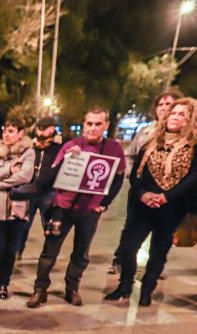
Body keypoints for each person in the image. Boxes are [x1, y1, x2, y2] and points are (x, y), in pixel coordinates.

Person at [104, 98, 197, 306]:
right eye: (173, 113)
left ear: (192, 119)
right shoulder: (154, 138)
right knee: (128, 247)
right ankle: (124, 285)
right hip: (142, 205)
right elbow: (136, 172)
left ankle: (146, 289)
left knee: (158, 250)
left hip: (173, 206)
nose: (175, 117)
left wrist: (167, 196)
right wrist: (142, 193)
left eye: (182, 114)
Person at [27, 107, 126, 308]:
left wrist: (104, 204)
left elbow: (118, 178)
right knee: (49, 251)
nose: (93, 128)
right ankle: (40, 289)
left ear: (106, 125)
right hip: (62, 208)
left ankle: (72, 288)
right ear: (83, 125)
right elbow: (48, 177)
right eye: (89, 123)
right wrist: (66, 160)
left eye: (98, 124)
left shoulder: (114, 149)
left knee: (81, 253)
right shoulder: (71, 145)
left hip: (89, 211)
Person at [108, 89, 182, 276]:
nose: (164, 108)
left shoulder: (186, 137)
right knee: (131, 229)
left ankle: (155, 267)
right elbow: (130, 156)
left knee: (164, 232)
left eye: (169, 104)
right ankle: (121, 260)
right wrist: (135, 178)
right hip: (141, 191)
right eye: (161, 104)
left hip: (169, 195)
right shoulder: (145, 132)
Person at [0, 119, 35, 300]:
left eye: (11, 131)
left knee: (11, 249)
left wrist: (0, 183)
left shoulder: (28, 153)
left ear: (21, 133)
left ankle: (5, 283)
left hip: (17, 209)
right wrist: (8, 170)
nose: (6, 134)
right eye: (5, 130)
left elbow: (25, 176)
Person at [20, 117, 63, 258]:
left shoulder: (59, 149)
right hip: (30, 189)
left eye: (45, 128)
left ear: (52, 129)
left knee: (49, 225)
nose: (42, 131)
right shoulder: (30, 147)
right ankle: (17, 252)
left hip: (49, 191)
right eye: (40, 128)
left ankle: (49, 254)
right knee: (23, 224)